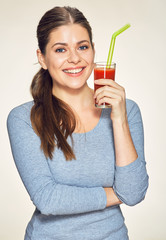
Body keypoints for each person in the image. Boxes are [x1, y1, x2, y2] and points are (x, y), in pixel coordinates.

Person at [7, 6, 149, 240]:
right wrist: (116, 194)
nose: (74, 58)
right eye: (60, 49)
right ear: (42, 58)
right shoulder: (24, 118)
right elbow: (48, 199)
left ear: (93, 52)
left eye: (82, 47)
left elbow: (134, 192)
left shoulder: (126, 110)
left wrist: (119, 119)